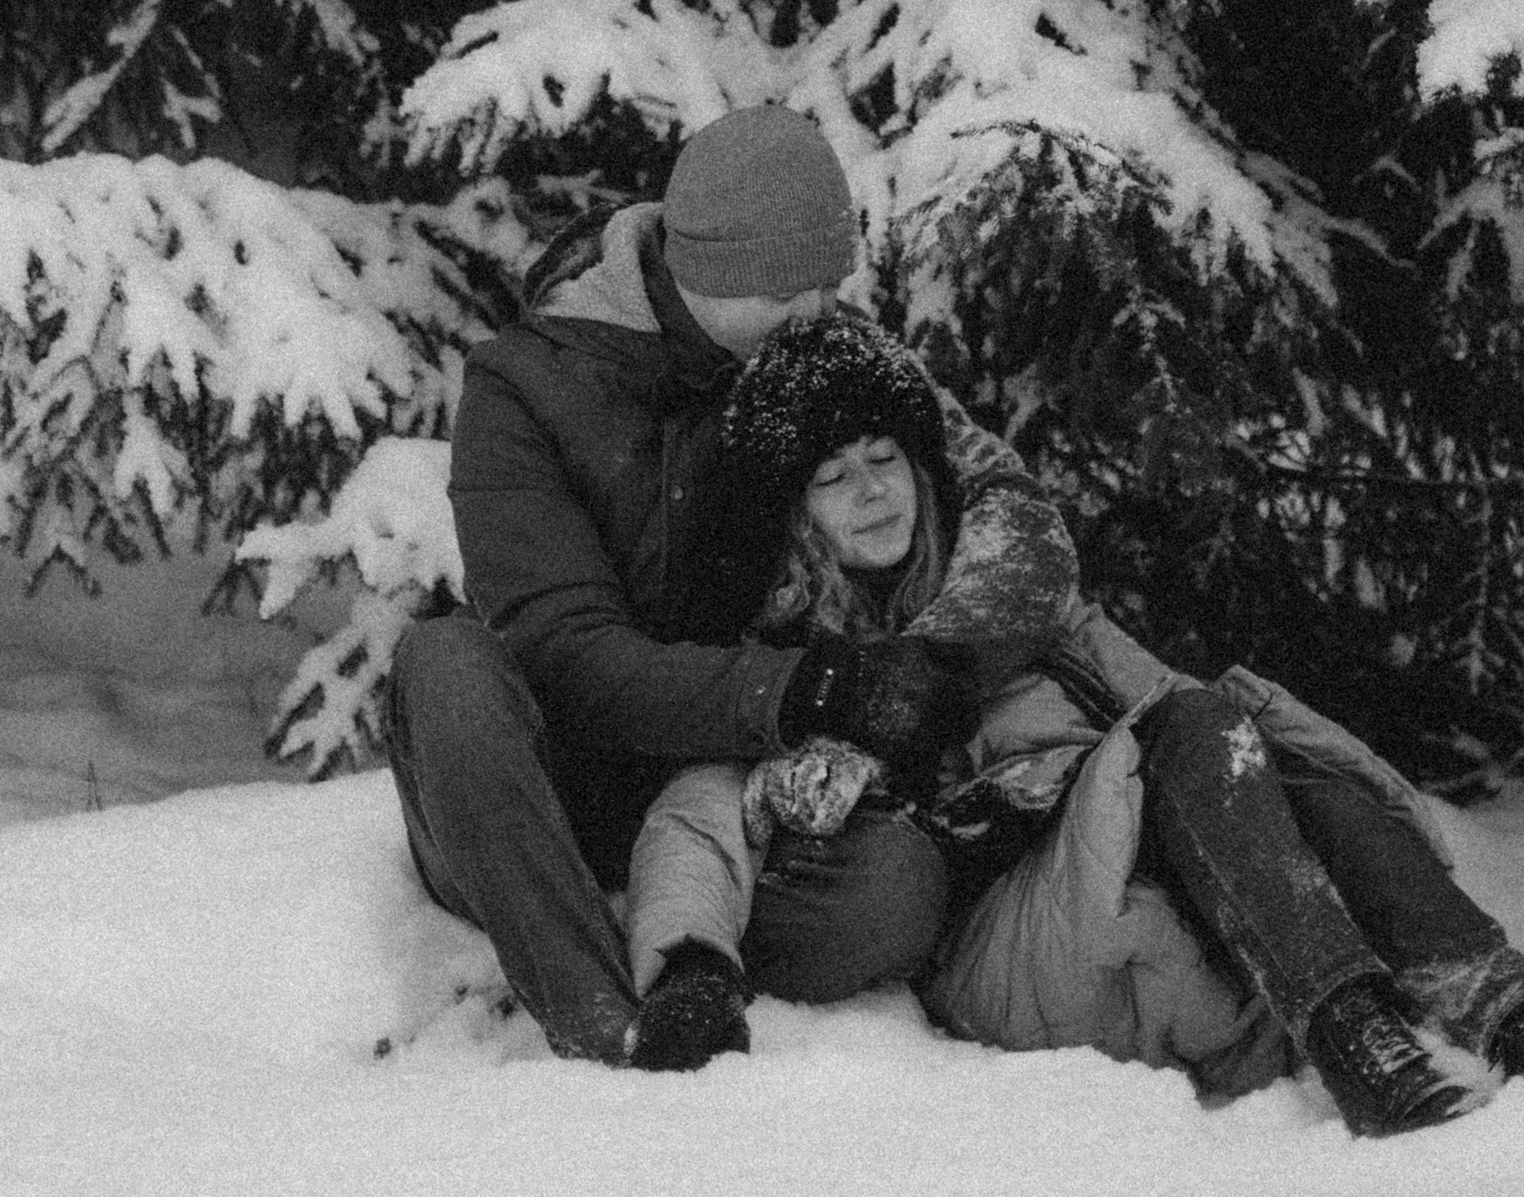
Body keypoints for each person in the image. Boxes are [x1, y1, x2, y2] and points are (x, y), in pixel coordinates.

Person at [623, 308, 1524, 1134]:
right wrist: (689, 970)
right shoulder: (794, 667)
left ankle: (1521, 1017)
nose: (869, 491)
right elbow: (696, 815)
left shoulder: (1018, 603)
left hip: (1125, 885)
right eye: (829, 476)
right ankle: (1354, 1036)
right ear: (791, 513)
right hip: (1006, 941)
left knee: (1258, 755)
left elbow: (1207, 738)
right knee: (1195, 730)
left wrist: (1350, 798)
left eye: (882, 457)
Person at [386, 104, 1064, 1065]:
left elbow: (1004, 499)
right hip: (540, 811)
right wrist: (804, 689)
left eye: (828, 284)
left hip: (740, 814)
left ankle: (691, 964)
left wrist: (931, 662)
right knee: (446, 666)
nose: (816, 313)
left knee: (897, 890)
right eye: (786, 291)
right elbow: (569, 656)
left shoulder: (815, 343)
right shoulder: (523, 392)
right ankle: (603, 1023)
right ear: (698, 271)